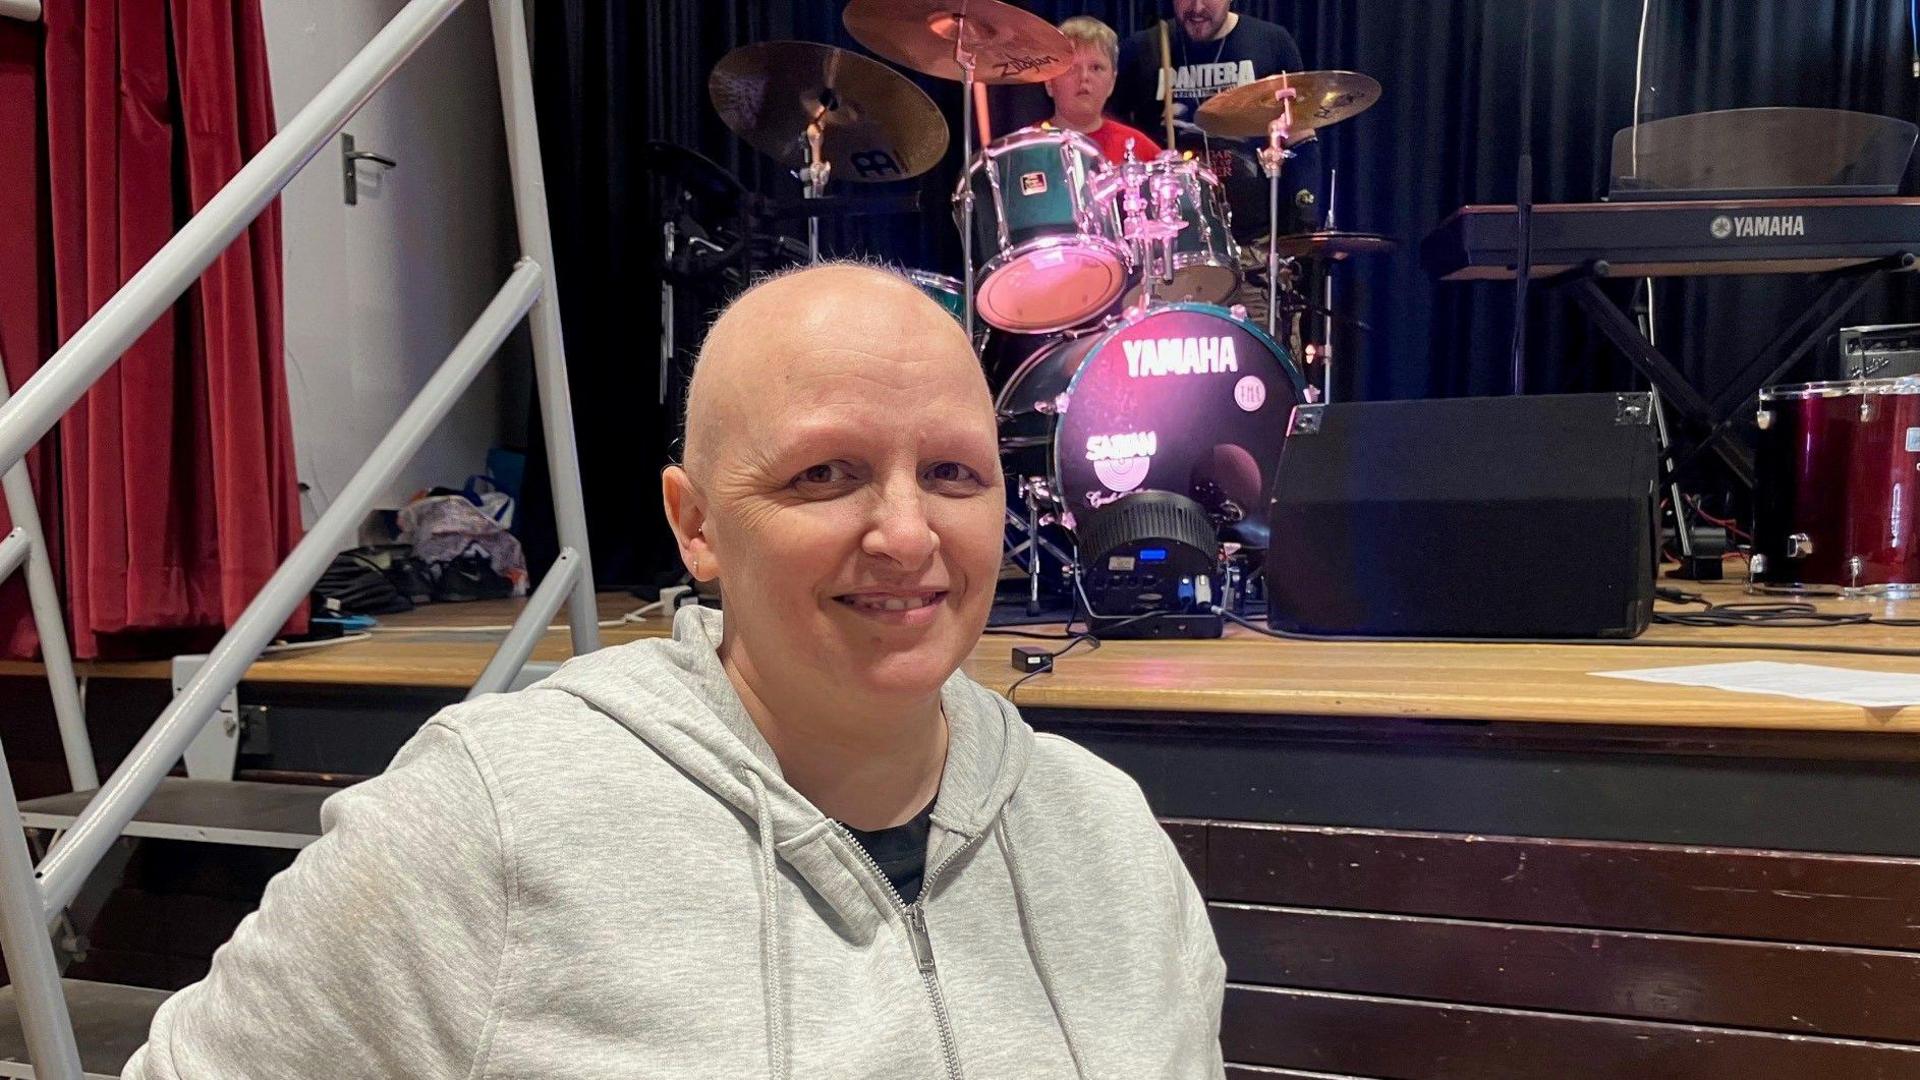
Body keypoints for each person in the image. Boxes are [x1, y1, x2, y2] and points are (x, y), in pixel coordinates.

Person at [122, 262, 1227, 1078]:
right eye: (825, 474)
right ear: (695, 527)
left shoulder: (1106, 837)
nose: (905, 534)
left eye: (952, 473)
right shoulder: (491, 819)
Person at [1110, 0, 1322, 242]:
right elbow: (1113, 137)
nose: (1197, 8)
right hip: (1166, 242)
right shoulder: (1141, 49)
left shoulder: (1272, 42)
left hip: (1255, 242)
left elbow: (1300, 136)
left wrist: (1307, 218)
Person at [1043, 16, 1160, 165]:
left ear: (1112, 81)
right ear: (1049, 82)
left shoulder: (1140, 149)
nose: (1084, 77)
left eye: (1096, 68)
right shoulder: (1023, 150)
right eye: (1072, 68)